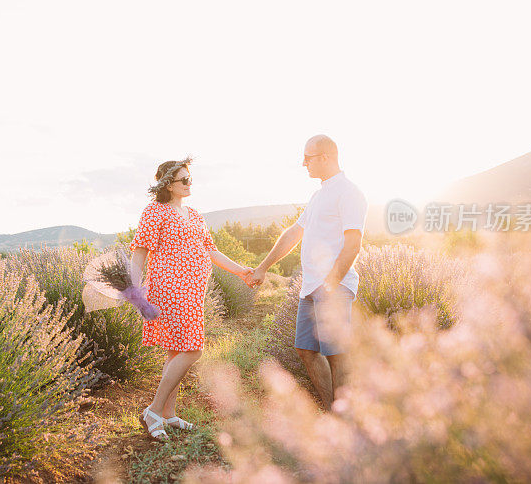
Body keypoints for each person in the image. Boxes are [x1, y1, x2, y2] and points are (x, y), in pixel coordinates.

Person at [130, 158, 254, 441]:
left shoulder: (195, 214)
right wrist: (133, 290)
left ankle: (168, 413)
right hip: (168, 289)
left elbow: (211, 251)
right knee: (193, 349)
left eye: (190, 178)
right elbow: (140, 253)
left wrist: (241, 270)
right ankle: (154, 410)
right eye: (183, 180)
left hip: (193, 291)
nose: (189, 183)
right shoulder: (155, 211)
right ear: (167, 185)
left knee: (176, 350)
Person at [250, 135, 367, 410]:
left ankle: (346, 420)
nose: (304, 163)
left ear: (325, 157)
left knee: (337, 354)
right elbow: (293, 233)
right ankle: (332, 411)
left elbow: (354, 244)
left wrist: (332, 283)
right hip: (311, 287)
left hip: (333, 287)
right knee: (306, 350)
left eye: (308, 157)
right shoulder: (318, 195)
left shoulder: (349, 192)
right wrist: (263, 267)